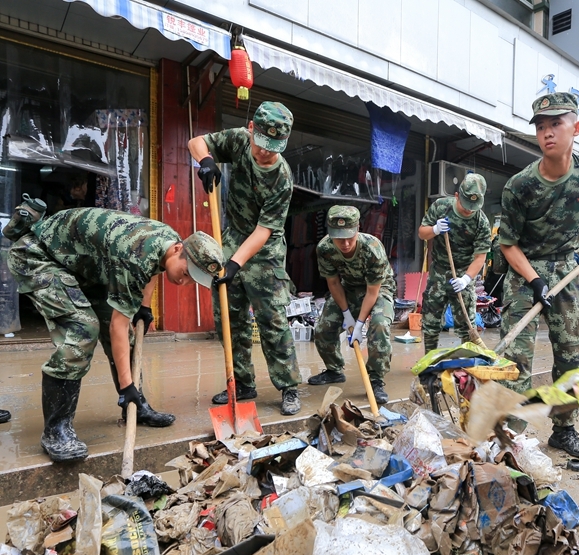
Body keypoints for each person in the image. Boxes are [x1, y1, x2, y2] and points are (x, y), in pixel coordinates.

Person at [2, 197, 224, 462]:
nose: (185, 282)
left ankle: (134, 406)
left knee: (127, 337)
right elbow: (118, 323)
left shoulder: (168, 241)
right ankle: (56, 429)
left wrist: (144, 306)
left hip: (83, 264)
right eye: (187, 273)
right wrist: (126, 383)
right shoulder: (135, 253)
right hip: (39, 255)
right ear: (179, 249)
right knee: (83, 329)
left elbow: (154, 268)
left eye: (193, 281)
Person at [498, 91, 579, 457]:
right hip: (525, 271)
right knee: (516, 361)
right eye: (541, 126)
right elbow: (508, 244)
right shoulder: (520, 186)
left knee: (571, 356)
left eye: (556, 123)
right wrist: (535, 281)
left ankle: (564, 430)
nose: (547, 132)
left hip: (568, 267)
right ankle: (512, 435)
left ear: (577, 128)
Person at [189, 101, 302, 416]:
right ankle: (241, 383)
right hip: (233, 236)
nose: (265, 153)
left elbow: (264, 231)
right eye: (261, 144)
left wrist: (235, 264)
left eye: (273, 148)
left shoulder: (282, 177)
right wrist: (207, 161)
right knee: (229, 316)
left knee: (272, 319)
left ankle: (288, 386)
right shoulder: (238, 140)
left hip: (264, 249)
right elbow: (195, 143)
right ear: (251, 129)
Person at [308, 206, 395, 406]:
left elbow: (373, 292)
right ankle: (334, 370)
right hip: (347, 288)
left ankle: (376, 380)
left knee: (380, 326)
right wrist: (346, 314)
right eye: (339, 238)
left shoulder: (373, 248)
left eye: (350, 237)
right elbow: (334, 283)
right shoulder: (325, 249)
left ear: (358, 229)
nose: (345, 244)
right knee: (323, 328)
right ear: (330, 234)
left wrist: (359, 324)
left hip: (379, 288)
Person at [418, 174, 492, 352]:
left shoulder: (481, 223)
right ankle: (430, 361)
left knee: (467, 325)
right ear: (457, 195)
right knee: (431, 322)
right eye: (466, 205)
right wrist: (435, 229)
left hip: (464, 272)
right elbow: (422, 233)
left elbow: (480, 258)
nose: (469, 210)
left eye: (473, 207)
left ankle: (466, 362)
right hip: (439, 271)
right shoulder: (441, 207)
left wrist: (466, 279)